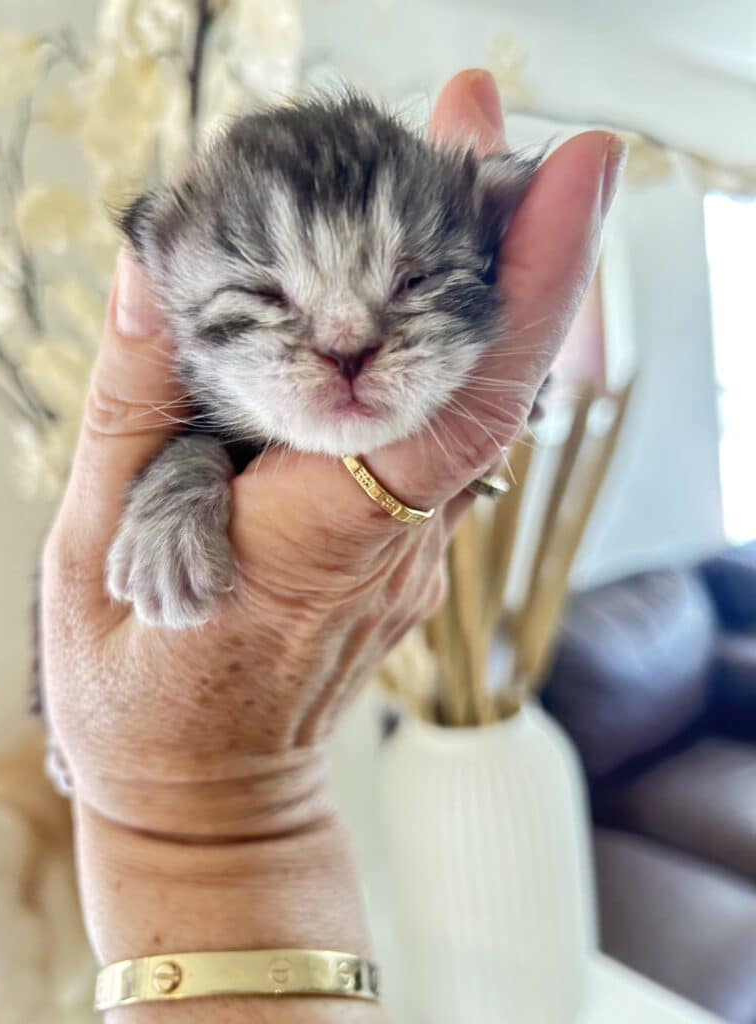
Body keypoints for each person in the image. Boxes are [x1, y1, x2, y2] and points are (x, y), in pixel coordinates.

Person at [41, 69, 624, 1022]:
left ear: (484, 234)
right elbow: (156, 467)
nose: (349, 341)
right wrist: (184, 478)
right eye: (263, 293)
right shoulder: (188, 397)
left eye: (416, 280)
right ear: (164, 259)